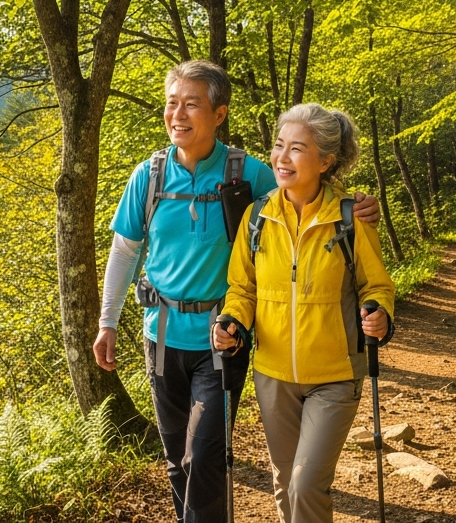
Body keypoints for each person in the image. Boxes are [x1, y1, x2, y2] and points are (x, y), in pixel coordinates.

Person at [94, 61, 381, 523]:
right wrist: (107, 322)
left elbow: (306, 193)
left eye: (191, 104)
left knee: (204, 457)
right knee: (178, 460)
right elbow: (125, 251)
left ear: (219, 113)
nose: (177, 114)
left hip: (223, 339)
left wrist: (359, 205)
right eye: (172, 103)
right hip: (161, 336)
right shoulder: (148, 177)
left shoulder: (250, 174)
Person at [213, 103, 396, 523]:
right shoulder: (257, 217)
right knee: (285, 483)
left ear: (325, 161)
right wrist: (232, 321)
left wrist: (379, 313)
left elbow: (377, 286)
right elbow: (242, 288)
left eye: (297, 148)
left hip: (335, 375)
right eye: (279, 145)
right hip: (272, 374)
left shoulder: (350, 217)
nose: (282, 157)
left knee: (305, 484)